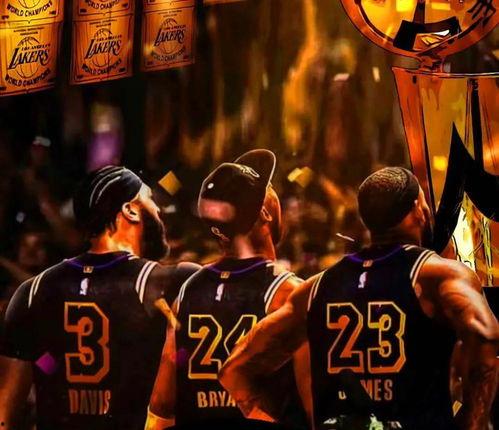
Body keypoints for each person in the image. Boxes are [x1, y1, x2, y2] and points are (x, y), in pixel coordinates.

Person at [220, 167, 499, 430]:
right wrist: (471, 422)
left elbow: (235, 371)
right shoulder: (437, 276)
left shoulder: (317, 288)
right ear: (418, 209)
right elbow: (485, 337)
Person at [0, 166, 199, 430]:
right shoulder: (170, 282)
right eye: (150, 199)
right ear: (130, 210)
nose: (158, 209)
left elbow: (6, 416)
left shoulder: (32, 292)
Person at [146, 150, 308, 429]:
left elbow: (162, 402)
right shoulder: (287, 293)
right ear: (265, 212)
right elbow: (311, 399)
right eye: (269, 188)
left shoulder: (188, 292)